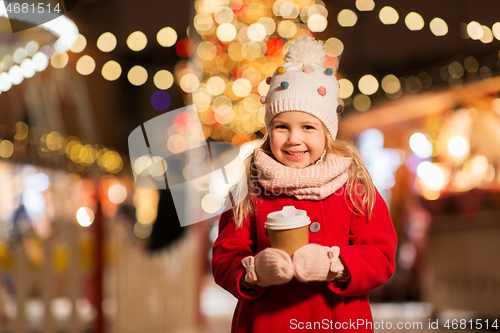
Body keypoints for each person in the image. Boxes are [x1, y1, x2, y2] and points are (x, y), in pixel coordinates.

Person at [212, 36, 397, 333]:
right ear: (269, 131)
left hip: (337, 321)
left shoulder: (353, 187)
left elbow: (380, 254)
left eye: (308, 127)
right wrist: (253, 271)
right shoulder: (252, 189)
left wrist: (334, 264)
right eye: (281, 126)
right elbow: (225, 255)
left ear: (327, 133)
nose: (294, 138)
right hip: (267, 323)